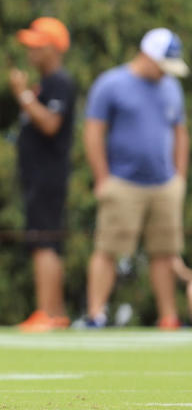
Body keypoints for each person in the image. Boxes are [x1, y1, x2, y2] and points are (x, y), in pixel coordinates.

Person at [83, 28, 188, 329]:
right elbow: (93, 132)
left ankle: (168, 317)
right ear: (147, 56)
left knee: (165, 253)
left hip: (165, 185)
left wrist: (179, 178)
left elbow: (180, 134)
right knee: (107, 249)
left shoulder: (171, 88)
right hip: (123, 183)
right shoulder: (112, 84)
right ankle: (96, 314)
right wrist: (102, 178)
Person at [8, 17, 77, 332]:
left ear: (53, 48)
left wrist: (23, 95)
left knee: (44, 241)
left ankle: (47, 312)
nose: (31, 53)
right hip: (39, 175)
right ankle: (55, 312)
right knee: (46, 240)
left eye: (36, 47)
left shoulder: (59, 81)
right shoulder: (47, 82)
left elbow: (50, 124)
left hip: (48, 175)